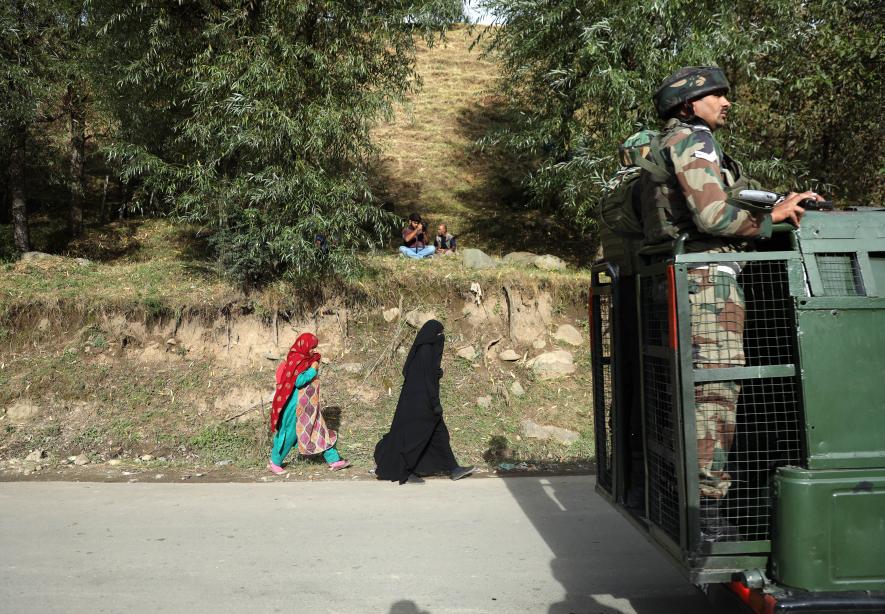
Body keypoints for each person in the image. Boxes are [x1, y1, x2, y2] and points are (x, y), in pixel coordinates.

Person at [640, 66, 821, 541]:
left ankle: (693, 500)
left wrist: (775, 201)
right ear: (688, 105)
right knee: (716, 393)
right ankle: (706, 513)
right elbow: (713, 214)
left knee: (703, 391)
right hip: (708, 283)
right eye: (715, 95)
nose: (725, 102)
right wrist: (771, 220)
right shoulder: (693, 140)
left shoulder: (677, 142)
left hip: (693, 280)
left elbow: (715, 200)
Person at [373, 320, 475, 483]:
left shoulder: (421, 351)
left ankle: (453, 468)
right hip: (421, 407)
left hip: (419, 404)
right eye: (439, 334)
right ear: (432, 336)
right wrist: (435, 404)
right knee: (416, 440)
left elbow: (424, 374)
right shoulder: (426, 352)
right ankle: (406, 471)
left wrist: (437, 373)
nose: (441, 338)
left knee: (439, 435)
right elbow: (427, 381)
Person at [268, 333, 350, 474]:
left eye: (314, 348)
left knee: (319, 429)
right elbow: (298, 381)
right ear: (304, 346)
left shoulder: (306, 359)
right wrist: (313, 369)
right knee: (289, 434)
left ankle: (334, 460)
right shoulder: (296, 360)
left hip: (309, 404)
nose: (313, 350)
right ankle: (275, 462)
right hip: (296, 406)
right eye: (311, 347)